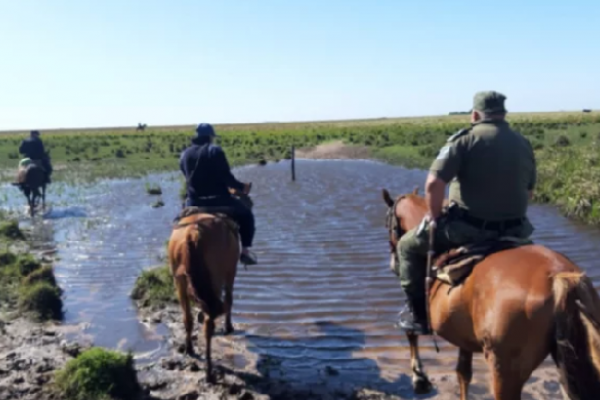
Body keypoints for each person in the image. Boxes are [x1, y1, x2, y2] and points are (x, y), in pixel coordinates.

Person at [395, 90, 537, 334]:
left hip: (469, 230)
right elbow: (530, 191)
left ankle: (419, 317)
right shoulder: (522, 142)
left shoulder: (464, 140)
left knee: (406, 247)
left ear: (475, 114)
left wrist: (435, 214)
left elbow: (433, 184)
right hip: (517, 229)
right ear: (503, 114)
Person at [179, 123, 257, 265]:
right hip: (220, 201)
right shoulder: (215, 151)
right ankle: (245, 252)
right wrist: (241, 187)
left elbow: (186, 176)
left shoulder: (185, 154)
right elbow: (226, 177)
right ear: (210, 137)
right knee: (247, 216)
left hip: (194, 202)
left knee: (178, 222)